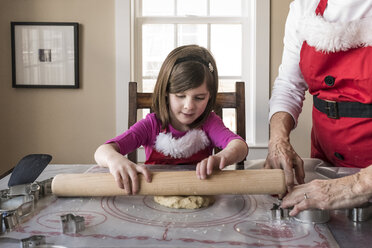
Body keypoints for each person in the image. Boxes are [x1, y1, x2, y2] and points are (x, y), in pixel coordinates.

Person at [95, 45, 248, 195]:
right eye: (180, 96)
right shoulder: (151, 125)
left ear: (210, 96)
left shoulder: (209, 123)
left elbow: (240, 146)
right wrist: (115, 160)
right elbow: (102, 151)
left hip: (199, 193)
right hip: (153, 194)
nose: (189, 106)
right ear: (166, 92)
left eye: (199, 98)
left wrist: (223, 157)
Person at [265, 0, 372, 214]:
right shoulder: (304, 7)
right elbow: (289, 84)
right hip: (326, 162)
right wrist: (278, 140)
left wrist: (358, 185)